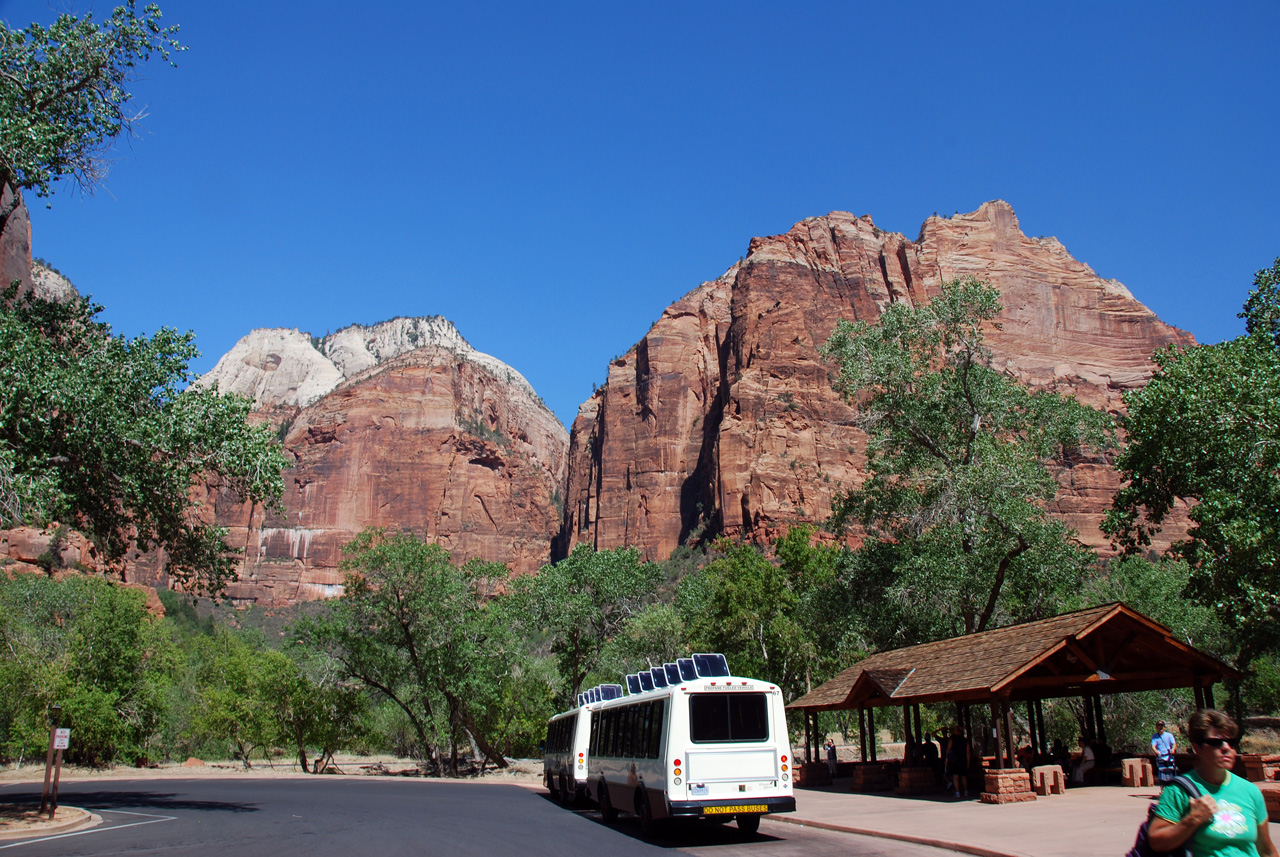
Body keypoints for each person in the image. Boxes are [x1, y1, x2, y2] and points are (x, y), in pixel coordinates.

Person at [1148, 709, 1277, 857]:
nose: (1226, 748)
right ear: (1197, 748)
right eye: (1215, 742)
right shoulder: (1179, 791)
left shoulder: (1251, 791)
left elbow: (1267, 851)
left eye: (1231, 742)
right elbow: (1156, 841)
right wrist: (1193, 819)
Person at [945, 726, 971, 798]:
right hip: (963, 760)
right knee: (963, 776)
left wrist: (947, 759)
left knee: (955, 777)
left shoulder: (952, 739)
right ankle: (966, 791)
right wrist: (968, 762)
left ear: (956, 731)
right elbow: (968, 752)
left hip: (954, 760)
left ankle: (957, 792)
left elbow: (948, 750)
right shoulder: (965, 740)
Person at [1153, 719, 1178, 783]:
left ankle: (1172, 784)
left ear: (1164, 727)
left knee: (1171, 771)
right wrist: (1156, 751)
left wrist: (1173, 749)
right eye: (1159, 726)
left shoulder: (1169, 735)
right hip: (1161, 757)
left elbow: (1174, 744)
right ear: (1156, 727)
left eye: (1162, 726)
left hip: (1169, 757)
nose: (1160, 728)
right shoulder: (1154, 736)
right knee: (1162, 772)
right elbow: (1153, 746)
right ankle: (1163, 785)